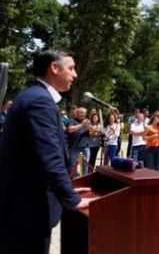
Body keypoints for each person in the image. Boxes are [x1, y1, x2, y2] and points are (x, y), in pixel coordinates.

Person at [0, 48, 92, 253]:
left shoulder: (31, 95)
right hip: (26, 213)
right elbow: (49, 159)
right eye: (71, 68)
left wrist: (70, 188)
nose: (75, 74)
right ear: (54, 68)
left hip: (21, 210)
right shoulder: (39, 101)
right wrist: (74, 200)